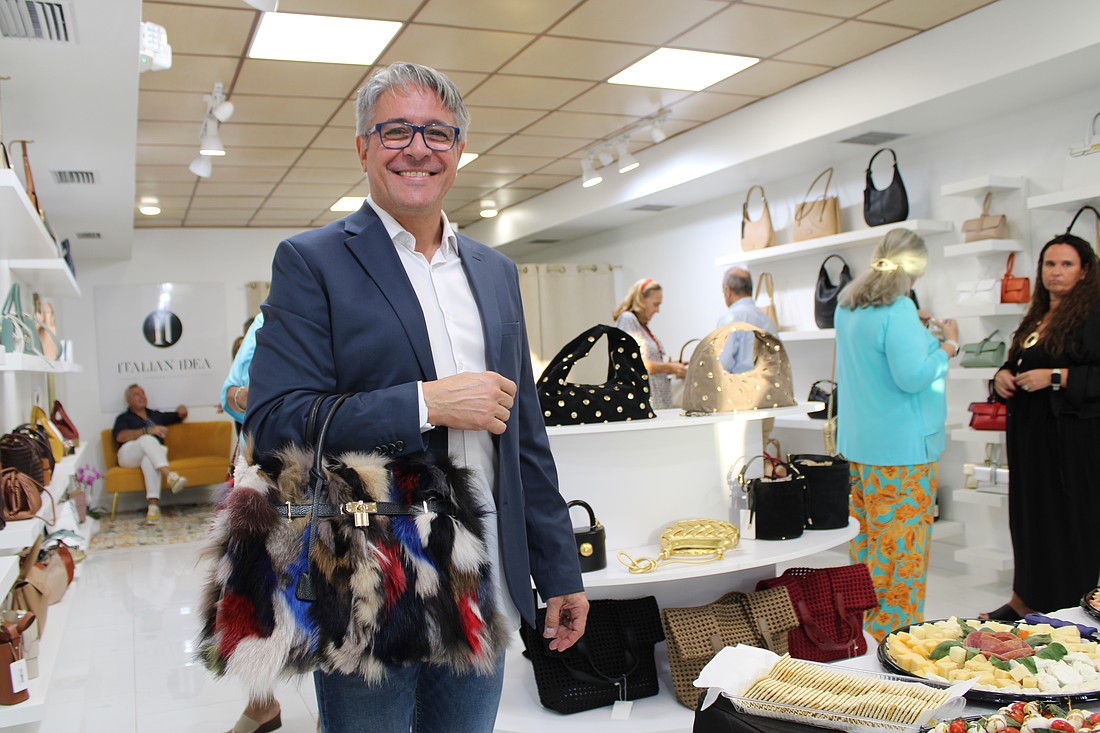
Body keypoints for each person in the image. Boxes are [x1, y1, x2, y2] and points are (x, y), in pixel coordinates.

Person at [244, 62, 588, 733]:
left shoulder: (495, 272)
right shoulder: (312, 261)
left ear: (459, 149)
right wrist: (426, 403)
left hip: (480, 575)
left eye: (437, 132)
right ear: (363, 147)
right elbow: (274, 423)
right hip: (369, 578)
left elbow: (526, 442)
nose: (418, 148)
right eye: (396, 130)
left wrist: (558, 566)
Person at [834, 229, 959, 641]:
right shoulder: (899, 309)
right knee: (901, 561)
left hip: (858, 450)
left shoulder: (848, 306)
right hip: (902, 454)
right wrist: (947, 348)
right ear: (917, 269)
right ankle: (897, 646)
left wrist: (917, 330)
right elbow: (913, 377)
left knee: (866, 552)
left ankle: (864, 638)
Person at [988, 233, 1100, 620]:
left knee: (1068, 517)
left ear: (1084, 271)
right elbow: (1019, 363)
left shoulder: (1093, 314)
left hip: (1071, 439)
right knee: (1029, 513)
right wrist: (1002, 376)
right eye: (1050, 264)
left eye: (1066, 264)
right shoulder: (1036, 315)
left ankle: (1072, 604)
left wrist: (1057, 377)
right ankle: (1027, 598)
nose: (1056, 272)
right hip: (1030, 435)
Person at [218, 312, 280, 733]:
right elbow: (228, 395)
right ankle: (261, 701)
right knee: (250, 588)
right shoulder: (267, 319)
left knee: (321, 592)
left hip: (322, 473)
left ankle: (332, 708)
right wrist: (248, 396)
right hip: (258, 473)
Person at [111, 384, 189, 525]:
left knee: (149, 459)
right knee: (147, 439)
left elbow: (179, 416)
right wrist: (147, 431)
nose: (141, 396)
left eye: (143, 393)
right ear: (128, 400)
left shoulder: (155, 415)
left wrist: (182, 409)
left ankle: (153, 507)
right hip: (128, 456)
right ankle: (169, 475)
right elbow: (120, 436)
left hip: (153, 454)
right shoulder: (123, 418)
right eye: (136, 394)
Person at [612, 278, 687, 409]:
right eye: (655, 304)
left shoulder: (642, 327)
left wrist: (673, 365)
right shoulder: (628, 319)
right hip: (646, 401)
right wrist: (670, 367)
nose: (658, 310)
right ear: (641, 300)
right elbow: (635, 363)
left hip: (658, 401)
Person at [716, 266, 778, 373]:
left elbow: (722, 365)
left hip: (737, 387)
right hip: (766, 386)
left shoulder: (729, 319)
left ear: (728, 290)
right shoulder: (768, 320)